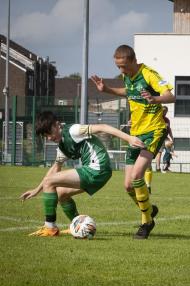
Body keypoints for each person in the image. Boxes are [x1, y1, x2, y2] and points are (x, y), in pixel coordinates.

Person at [91, 44, 175, 239]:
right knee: (128, 185)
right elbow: (129, 92)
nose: (121, 70)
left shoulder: (149, 74)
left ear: (134, 60)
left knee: (138, 175)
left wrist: (155, 99)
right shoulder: (127, 76)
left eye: (124, 66)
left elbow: (171, 96)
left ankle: (146, 223)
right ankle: (148, 209)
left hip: (154, 131)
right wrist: (107, 89)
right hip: (135, 133)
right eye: (118, 67)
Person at [20, 111, 144, 237]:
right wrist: (36, 190)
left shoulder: (73, 130)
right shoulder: (63, 146)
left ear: (57, 125)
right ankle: (78, 226)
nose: (49, 138)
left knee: (50, 181)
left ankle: (49, 227)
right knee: (61, 194)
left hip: (97, 169)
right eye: (45, 136)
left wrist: (129, 138)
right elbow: (55, 168)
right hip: (99, 172)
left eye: (49, 133)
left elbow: (103, 127)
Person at [155, 106, 174, 172]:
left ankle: (166, 165)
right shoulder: (157, 118)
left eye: (165, 111)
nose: (164, 112)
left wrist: (172, 138)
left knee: (170, 148)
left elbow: (169, 129)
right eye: (163, 111)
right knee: (159, 152)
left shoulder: (167, 120)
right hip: (159, 137)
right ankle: (158, 167)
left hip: (165, 137)